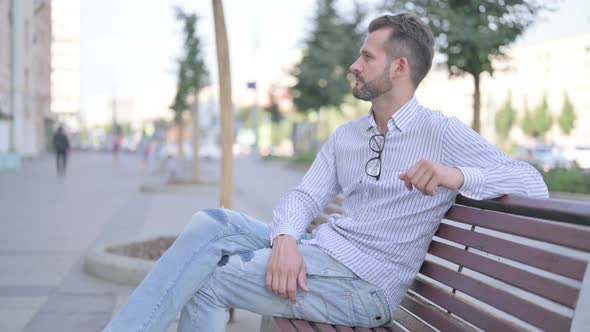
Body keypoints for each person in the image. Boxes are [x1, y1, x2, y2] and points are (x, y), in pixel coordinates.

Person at [103, 13, 548, 332]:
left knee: (211, 280)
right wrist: (286, 239)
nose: (354, 65)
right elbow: (302, 198)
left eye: (366, 57)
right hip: (322, 252)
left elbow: (533, 183)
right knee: (211, 222)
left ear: (399, 68)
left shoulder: (441, 133)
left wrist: (457, 175)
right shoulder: (348, 136)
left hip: (365, 289)